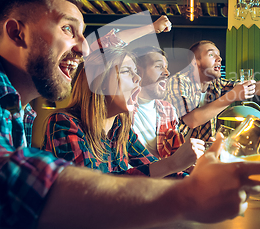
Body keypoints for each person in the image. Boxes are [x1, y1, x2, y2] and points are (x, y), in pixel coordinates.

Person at [0, 0, 260, 229]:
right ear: (16, 32)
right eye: (69, 29)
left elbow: (146, 171)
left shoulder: (19, 114)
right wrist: (186, 197)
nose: (82, 47)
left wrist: (206, 179)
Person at [42, 45, 202, 177]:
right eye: (126, 71)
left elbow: (152, 166)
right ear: (100, 82)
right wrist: (172, 163)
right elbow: (93, 189)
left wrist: (198, 177)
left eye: (136, 72)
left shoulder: (120, 128)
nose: (138, 79)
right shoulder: (63, 124)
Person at [165, 40, 260, 140]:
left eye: (219, 56)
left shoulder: (216, 85)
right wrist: (233, 96)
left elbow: (256, 88)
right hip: (173, 160)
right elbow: (191, 120)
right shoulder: (178, 82)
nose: (219, 59)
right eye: (212, 54)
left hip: (198, 160)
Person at [131, 46, 204, 162]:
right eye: (159, 67)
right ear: (138, 71)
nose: (167, 73)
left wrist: (204, 153)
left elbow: (176, 154)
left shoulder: (168, 110)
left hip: (165, 176)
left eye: (166, 67)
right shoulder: (122, 109)